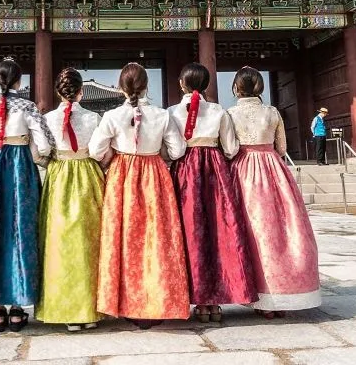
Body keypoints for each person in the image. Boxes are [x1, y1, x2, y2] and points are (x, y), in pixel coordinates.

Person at [89, 62, 189, 329]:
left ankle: (125, 303)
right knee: (157, 240)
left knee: (123, 238)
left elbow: (95, 150)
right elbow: (178, 150)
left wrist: (113, 157)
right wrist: (158, 155)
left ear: (122, 87)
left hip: (122, 175)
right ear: (146, 86)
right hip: (155, 173)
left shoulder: (111, 116)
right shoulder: (161, 115)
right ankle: (157, 301)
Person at [0, 58, 54, 333]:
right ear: (19, 82)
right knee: (20, 230)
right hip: (19, 169)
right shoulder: (28, 107)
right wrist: (41, 157)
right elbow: (44, 143)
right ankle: (18, 308)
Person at [227, 67, 321, 318]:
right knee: (282, 230)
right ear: (260, 88)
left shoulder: (231, 114)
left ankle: (258, 294)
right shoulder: (272, 112)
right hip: (273, 168)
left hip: (243, 169)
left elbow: (229, 148)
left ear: (236, 88)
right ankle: (284, 293)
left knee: (252, 232)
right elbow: (282, 147)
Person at [168, 63, 257, 322]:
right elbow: (230, 148)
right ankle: (215, 302)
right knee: (218, 233)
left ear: (182, 84)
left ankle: (196, 297)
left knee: (190, 233)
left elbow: (171, 150)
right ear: (206, 85)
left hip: (185, 171)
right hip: (215, 170)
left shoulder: (173, 111)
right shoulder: (218, 111)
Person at [36, 68, 106, 332]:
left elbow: (39, 152)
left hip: (59, 177)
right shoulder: (94, 117)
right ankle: (90, 309)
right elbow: (101, 152)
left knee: (59, 242)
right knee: (90, 241)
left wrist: (52, 161)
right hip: (87, 175)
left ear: (57, 91)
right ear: (81, 91)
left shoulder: (47, 118)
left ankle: (65, 309)